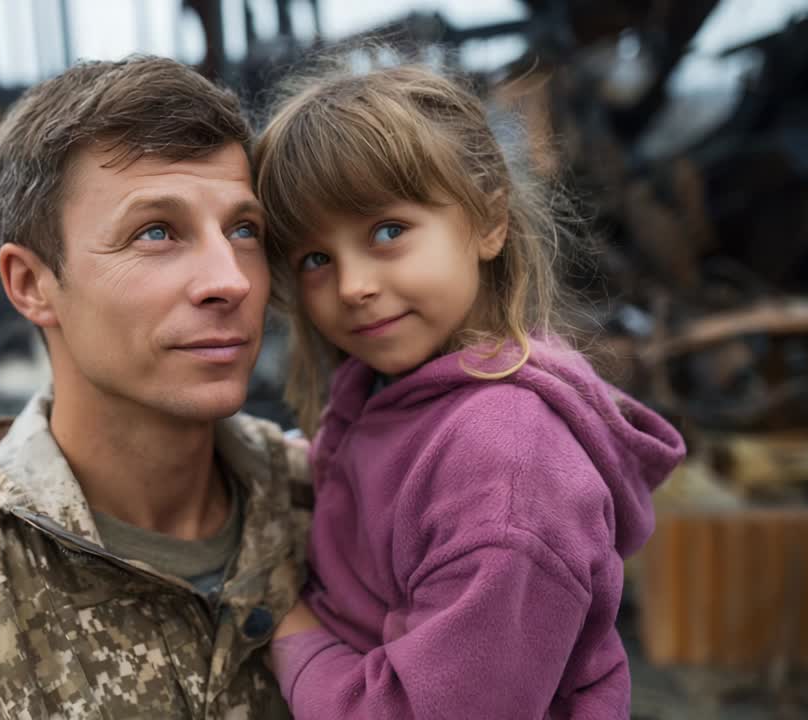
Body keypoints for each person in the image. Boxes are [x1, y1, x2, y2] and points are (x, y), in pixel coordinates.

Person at [0, 56, 311, 719]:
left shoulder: (337, 503)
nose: (229, 279)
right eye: (156, 232)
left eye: (242, 229)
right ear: (31, 284)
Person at [253, 62, 686, 718]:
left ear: (488, 221)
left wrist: (289, 633)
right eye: (316, 260)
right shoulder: (398, 388)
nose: (352, 286)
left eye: (387, 232)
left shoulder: (503, 471)